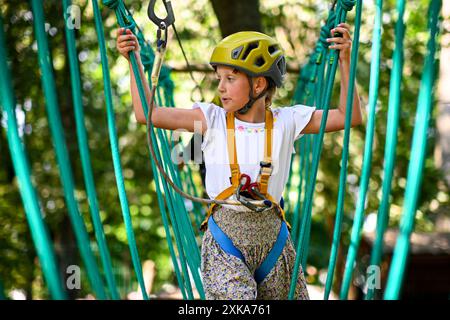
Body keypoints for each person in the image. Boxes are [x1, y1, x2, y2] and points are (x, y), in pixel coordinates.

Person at [116, 23, 362, 300]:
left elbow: (349, 116)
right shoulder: (211, 119)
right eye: (219, 78)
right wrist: (134, 60)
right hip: (225, 240)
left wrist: (345, 59)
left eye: (230, 79)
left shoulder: (288, 121)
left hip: (274, 239)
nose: (220, 87)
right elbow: (147, 114)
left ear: (258, 84)